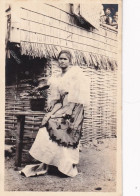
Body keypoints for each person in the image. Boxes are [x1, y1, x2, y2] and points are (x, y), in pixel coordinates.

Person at [19, 50, 90, 177]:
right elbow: (58, 99)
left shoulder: (74, 74)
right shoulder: (56, 78)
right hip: (63, 105)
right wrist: (52, 107)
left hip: (74, 107)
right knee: (46, 122)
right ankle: (51, 162)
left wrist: (69, 112)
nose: (62, 61)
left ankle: (66, 164)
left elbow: (78, 96)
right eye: (60, 59)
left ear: (70, 61)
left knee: (60, 127)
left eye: (65, 59)